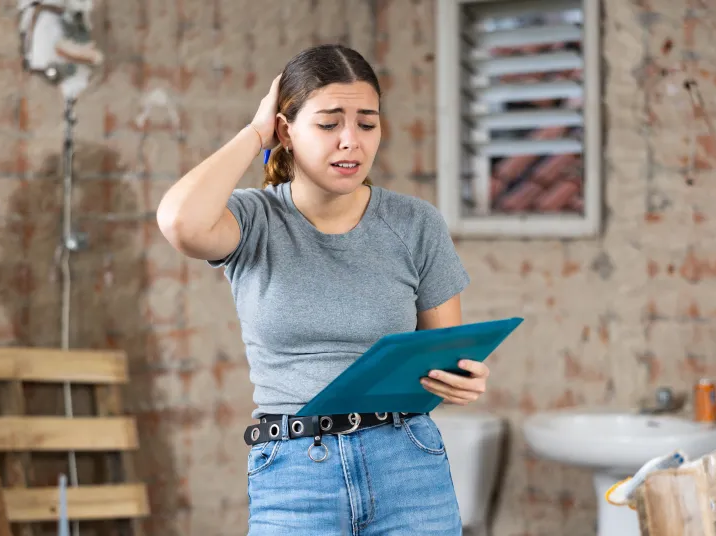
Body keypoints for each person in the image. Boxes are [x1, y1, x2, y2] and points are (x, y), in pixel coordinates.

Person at [157, 43, 489, 535]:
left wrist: (463, 380)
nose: (351, 141)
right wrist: (254, 134)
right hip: (293, 472)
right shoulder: (254, 220)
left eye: (367, 123)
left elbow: (442, 355)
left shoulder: (415, 223)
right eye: (330, 123)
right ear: (286, 130)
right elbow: (180, 222)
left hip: (407, 463)